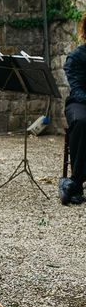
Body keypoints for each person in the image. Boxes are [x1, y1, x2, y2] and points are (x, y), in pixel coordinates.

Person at [61, 13, 86, 205]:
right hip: (79, 103)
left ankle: (72, 184)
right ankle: (76, 181)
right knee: (81, 121)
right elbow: (77, 90)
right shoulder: (76, 57)